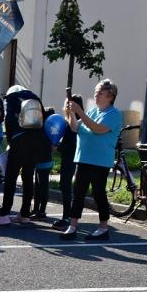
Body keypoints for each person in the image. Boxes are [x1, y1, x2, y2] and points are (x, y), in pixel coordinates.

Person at [60, 80, 122, 241]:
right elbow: (75, 127)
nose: (96, 95)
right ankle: (72, 226)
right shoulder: (93, 111)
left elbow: (97, 129)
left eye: (100, 92)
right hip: (83, 158)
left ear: (110, 96)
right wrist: (70, 113)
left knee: (98, 194)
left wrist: (80, 111)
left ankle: (103, 228)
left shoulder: (114, 114)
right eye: (96, 92)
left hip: (100, 161)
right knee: (78, 193)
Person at [0, 87, 51, 226]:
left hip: (19, 142)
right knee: (28, 177)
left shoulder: (10, 98)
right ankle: (24, 214)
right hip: (36, 142)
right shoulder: (35, 97)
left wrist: (11, 141)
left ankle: (4, 214)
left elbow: (9, 120)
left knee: (10, 178)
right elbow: (43, 119)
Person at [52, 98, 81, 230]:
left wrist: (57, 148)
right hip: (71, 158)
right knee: (67, 187)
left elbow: (71, 145)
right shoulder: (72, 121)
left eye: (66, 104)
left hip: (71, 158)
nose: (64, 107)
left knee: (66, 186)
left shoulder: (73, 123)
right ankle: (68, 217)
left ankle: (67, 217)